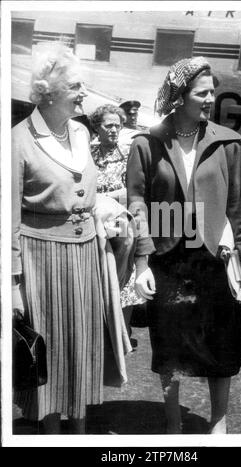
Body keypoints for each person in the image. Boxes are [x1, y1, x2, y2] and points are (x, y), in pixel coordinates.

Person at [127, 57, 241, 434]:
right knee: (169, 346)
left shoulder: (229, 143)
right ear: (179, 96)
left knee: (222, 342)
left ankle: (220, 424)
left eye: (212, 91)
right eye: (202, 92)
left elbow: (240, 204)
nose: (211, 99)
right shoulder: (147, 142)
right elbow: (136, 203)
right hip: (168, 260)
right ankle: (173, 426)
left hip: (214, 258)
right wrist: (141, 262)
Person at [12, 42, 132, 434]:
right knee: (51, 344)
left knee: (83, 341)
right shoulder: (18, 140)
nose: (84, 93)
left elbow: (89, 193)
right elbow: (9, 217)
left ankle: (79, 432)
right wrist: (14, 282)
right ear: (49, 91)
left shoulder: (80, 131)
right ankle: (51, 434)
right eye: (76, 85)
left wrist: (112, 212)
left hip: (87, 253)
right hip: (40, 255)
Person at [89, 104, 143, 347]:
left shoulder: (129, 153)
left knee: (126, 277)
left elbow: (135, 190)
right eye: (108, 125)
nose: (113, 130)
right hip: (95, 224)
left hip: (121, 223)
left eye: (117, 126)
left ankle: (123, 334)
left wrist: (108, 197)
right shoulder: (87, 153)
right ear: (96, 127)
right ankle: (99, 335)